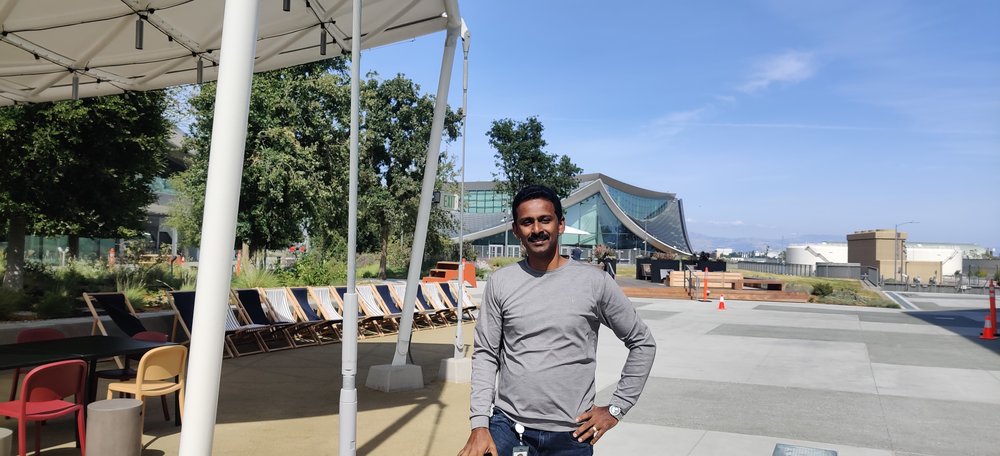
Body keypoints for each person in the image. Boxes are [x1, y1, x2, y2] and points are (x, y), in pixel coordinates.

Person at [458, 185, 656, 456]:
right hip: (508, 429)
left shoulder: (595, 282)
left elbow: (642, 343)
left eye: (545, 219)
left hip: (572, 435)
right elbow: (485, 354)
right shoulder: (501, 283)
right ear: (516, 230)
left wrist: (616, 408)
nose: (536, 229)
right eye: (527, 222)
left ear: (560, 224)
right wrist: (480, 424)